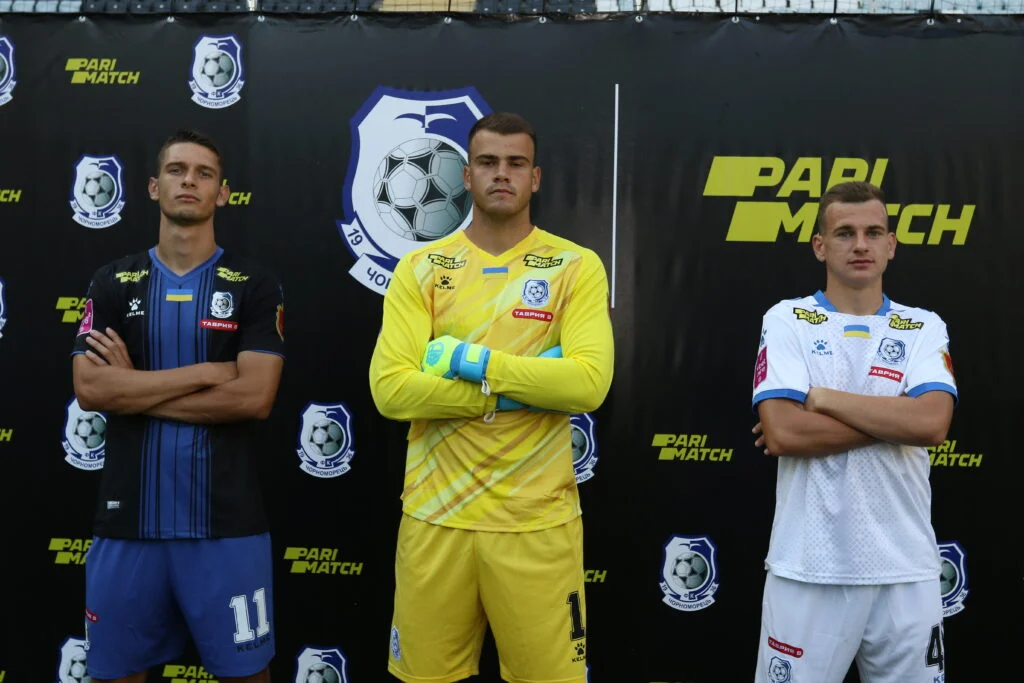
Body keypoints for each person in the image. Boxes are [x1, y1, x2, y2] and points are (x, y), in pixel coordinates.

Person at [368, 112, 614, 683]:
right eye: (487, 162)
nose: (501, 173)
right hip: (436, 518)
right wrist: (511, 392)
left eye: (516, 163)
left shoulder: (575, 266)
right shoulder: (420, 267)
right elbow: (391, 390)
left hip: (536, 523)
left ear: (536, 178)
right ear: (466, 176)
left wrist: (469, 362)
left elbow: (587, 384)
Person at [71, 129, 285, 683]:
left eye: (204, 173)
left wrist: (133, 389)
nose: (189, 181)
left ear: (223, 193)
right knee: (116, 675)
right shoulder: (112, 281)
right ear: (152, 186)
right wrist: (205, 374)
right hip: (127, 525)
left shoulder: (254, 285)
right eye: (176, 170)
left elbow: (254, 397)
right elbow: (91, 390)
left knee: (248, 676)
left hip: (227, 528)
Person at [751, 181, 957, 683]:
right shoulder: (788, 319)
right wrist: (898, 419)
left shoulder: (923, 326)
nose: (860, 245)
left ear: (891, 245)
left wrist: (823, 399)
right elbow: (783, 433)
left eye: (873, 232)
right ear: (820, 246)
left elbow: (932, 424)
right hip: (807, 568)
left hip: (906, 571)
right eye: (845, 233)